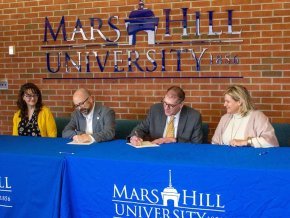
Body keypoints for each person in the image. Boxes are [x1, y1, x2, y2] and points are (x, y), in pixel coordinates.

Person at [128, 86, 203, 145]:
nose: (166, 108)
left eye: (171, 105)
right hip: (157, 152)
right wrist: (134, 137)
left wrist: (173, 140)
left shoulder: (194, 116)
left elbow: (197, 144)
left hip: (181, 154)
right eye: (164, 103)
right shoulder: (155, 110)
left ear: (181, 105)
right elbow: (140, 129)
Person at [212, 85, 279, 148]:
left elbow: (271, 142)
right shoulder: (225, 118)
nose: (224, 104)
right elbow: (215, 143)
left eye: (228, 101)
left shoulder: (257, 116)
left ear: (239, 102)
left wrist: (245, 142)